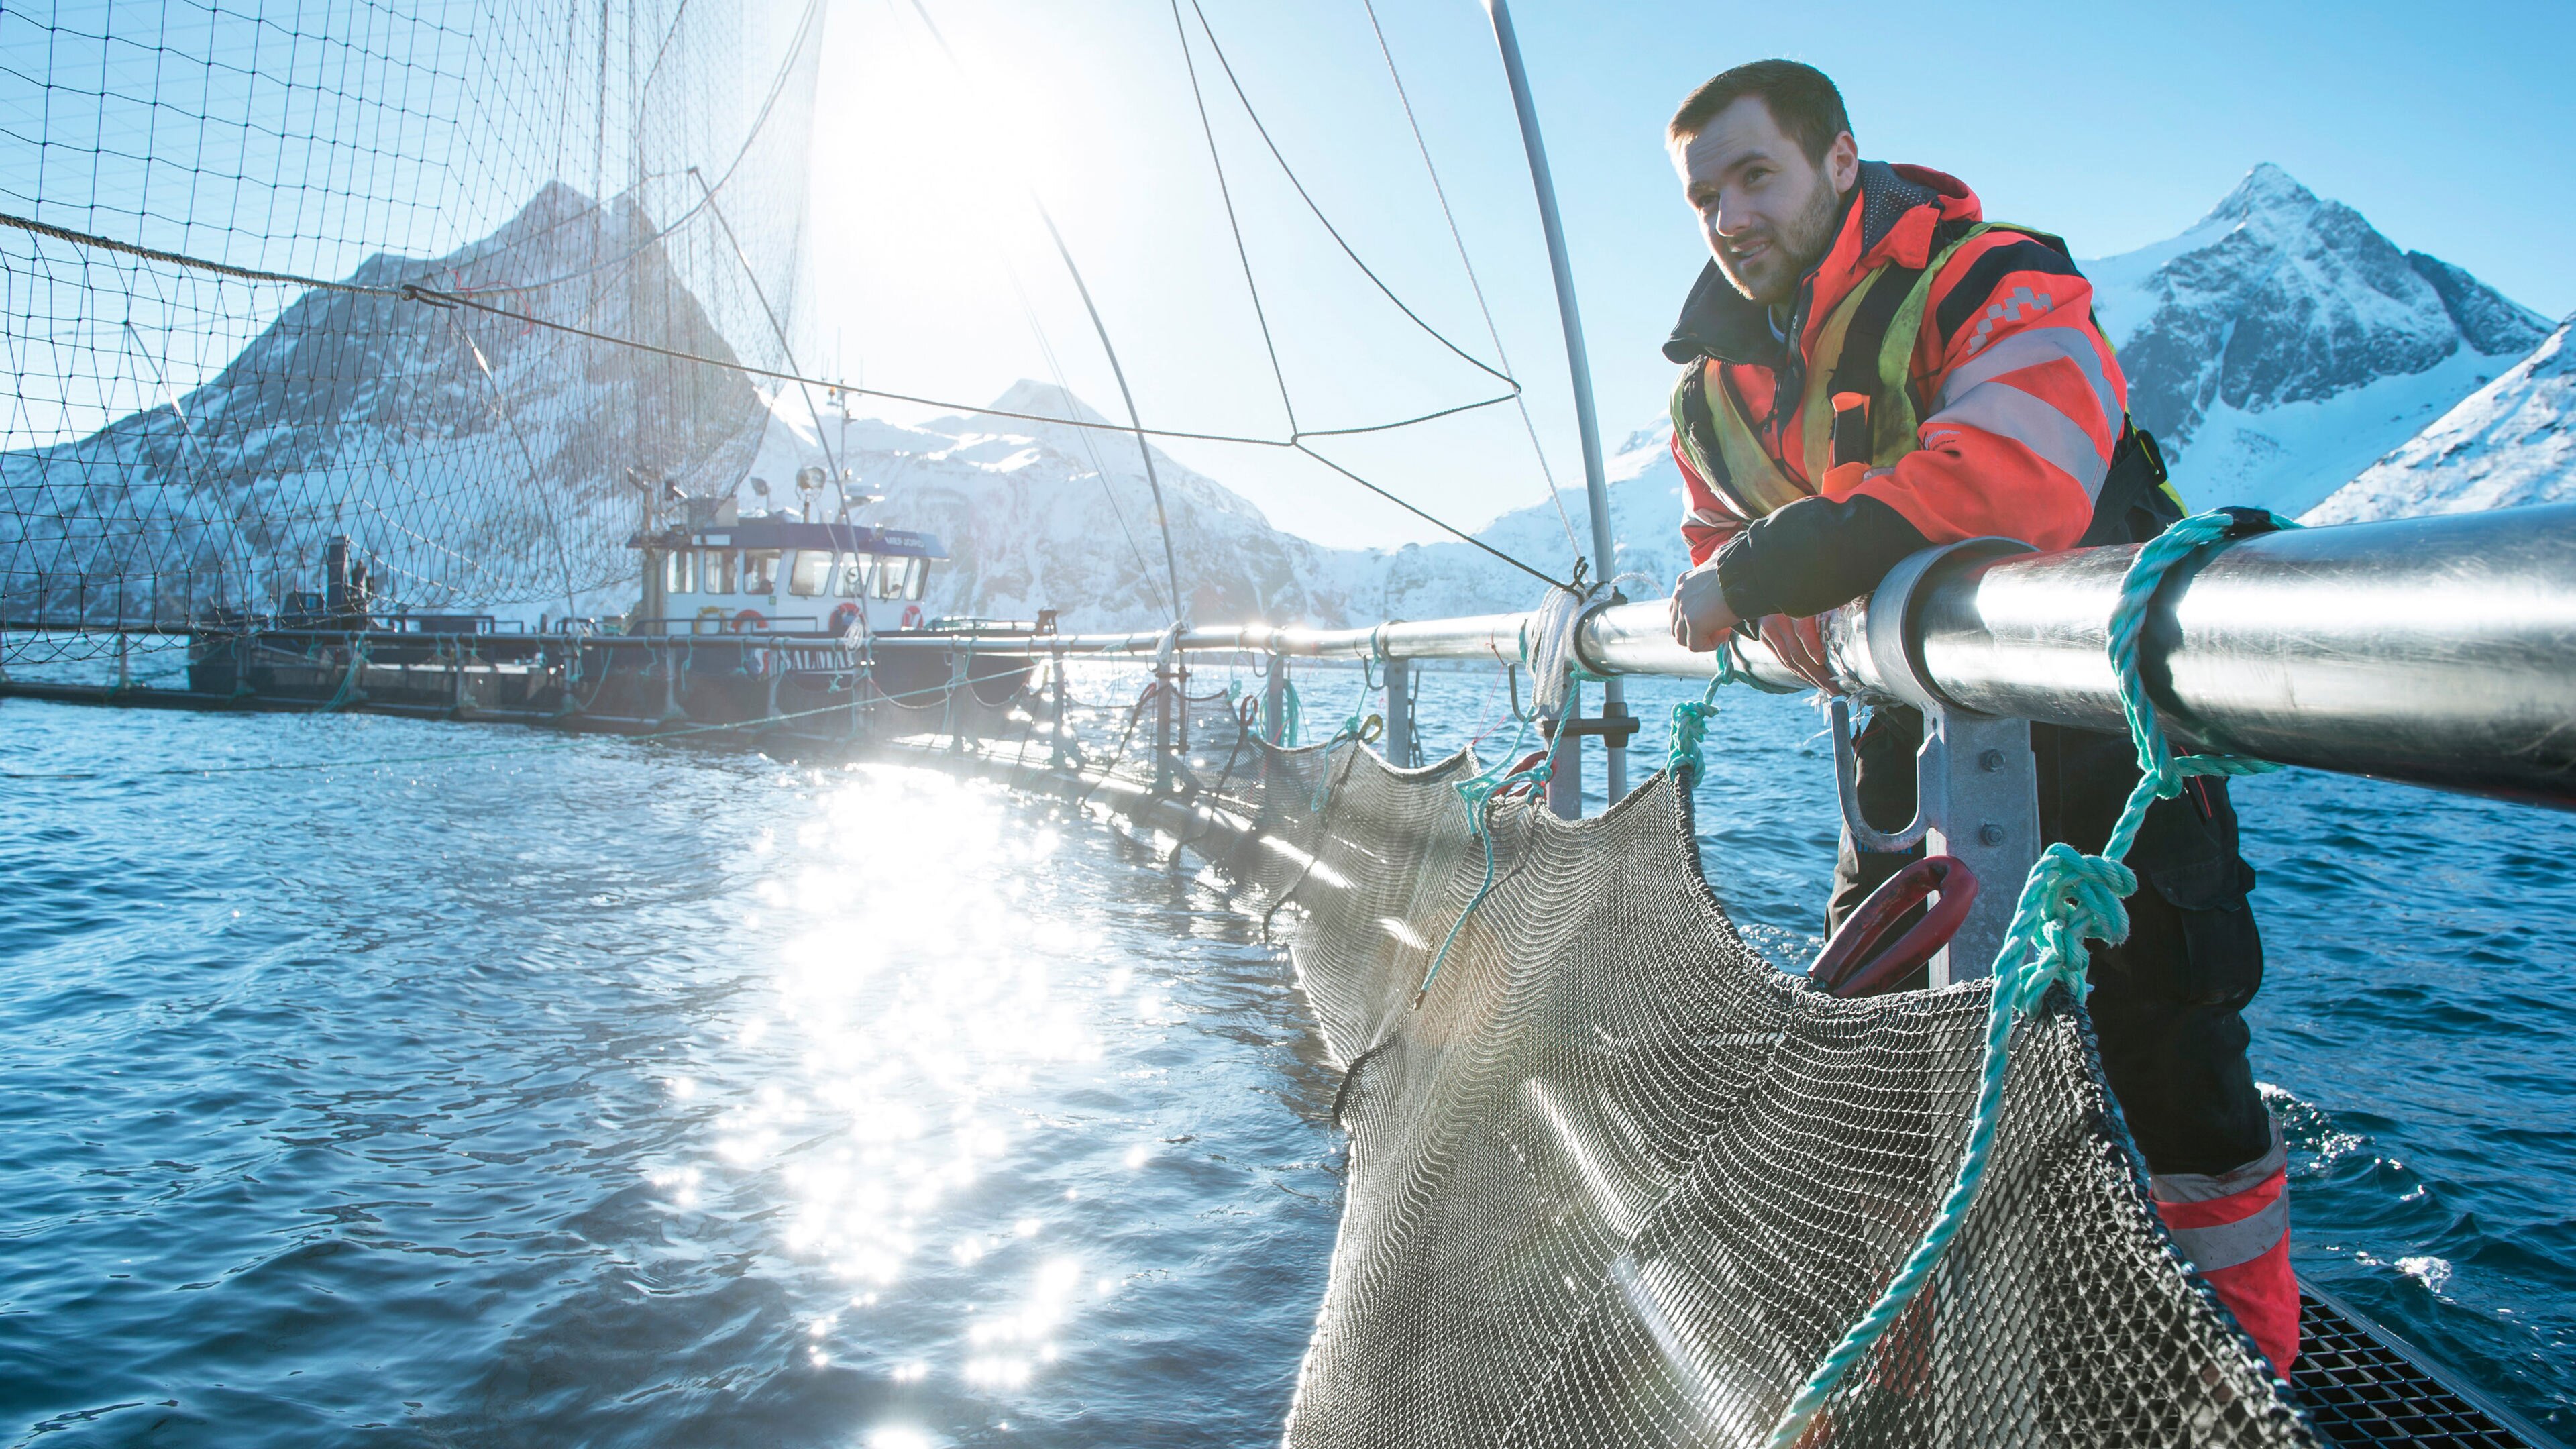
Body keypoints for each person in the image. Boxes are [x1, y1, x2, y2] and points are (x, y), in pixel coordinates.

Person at [1658, 59, 2298, 1371]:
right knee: (1876, 1058)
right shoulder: (1708, 395)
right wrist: (1798, 607)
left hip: (2110, 725)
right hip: (1897, 741)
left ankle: (2241, 1378)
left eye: (1754, 175)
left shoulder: (1992, 277)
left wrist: (1778, 576)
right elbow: (1717, 559)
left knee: (2176, 1056)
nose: (1728, 217)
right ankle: (1916, 1351)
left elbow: (2025, 473)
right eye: (1703, 195)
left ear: (1841, 162)